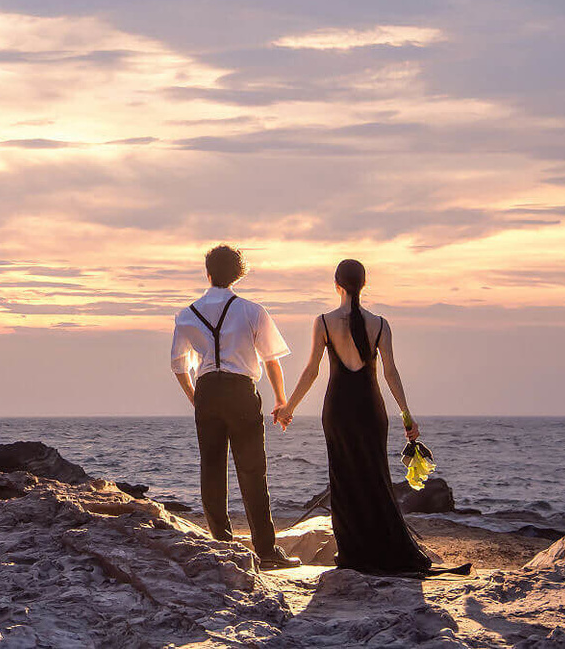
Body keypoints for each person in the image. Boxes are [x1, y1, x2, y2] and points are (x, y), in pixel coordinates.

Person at [274, 259, 436, 575]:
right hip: (371, 408)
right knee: (375, 476)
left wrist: (289, 408)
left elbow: (311, 371)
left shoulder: (323, 321)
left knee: (344, 478)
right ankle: (381, 547)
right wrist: (407, 417)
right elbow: (390, 372)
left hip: (338, 409)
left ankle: (352, 552)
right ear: (364, 284)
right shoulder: (380, 324)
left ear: (337, 284)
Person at [171, 245, 302, 570]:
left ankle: (222, 545)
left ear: (208, 272)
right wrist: (281, 400)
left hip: (207, 390)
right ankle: (267, 552)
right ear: (238, 274)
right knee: (253, 471)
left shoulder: (187, 314)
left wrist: (195, 397)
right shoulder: (252, 310)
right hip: (241, 391)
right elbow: (271, 361)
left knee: (212, 469)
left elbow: (177, 365)